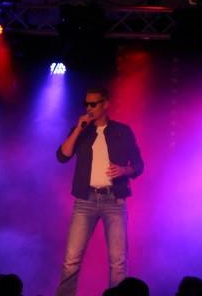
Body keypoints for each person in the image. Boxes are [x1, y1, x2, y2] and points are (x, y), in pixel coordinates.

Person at [55, 87, 144, 296]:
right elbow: (62, 156)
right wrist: (78, 129)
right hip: (85, 201)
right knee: (71, 259)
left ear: (105, 104)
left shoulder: (122, 131)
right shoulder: (81, 130)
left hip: (114, 201)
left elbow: (139, 165)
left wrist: (124, 170)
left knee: (118, 261)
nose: (89, 108)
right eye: (86, 104)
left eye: (93, 104)